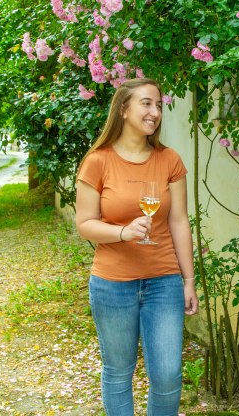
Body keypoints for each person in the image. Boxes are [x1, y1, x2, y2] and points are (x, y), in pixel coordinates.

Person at [75, 78, 199, 415]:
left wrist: (188, 281)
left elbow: (179, 222)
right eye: (146, 103)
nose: (155, 112)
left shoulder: (169, 160)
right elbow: (85, 223)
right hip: (112, 283)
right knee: (118, 372)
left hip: (163, 281)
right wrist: (122, 233)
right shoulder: (97, 161)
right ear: (124, 109)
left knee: (168, 375)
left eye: (159, 105)